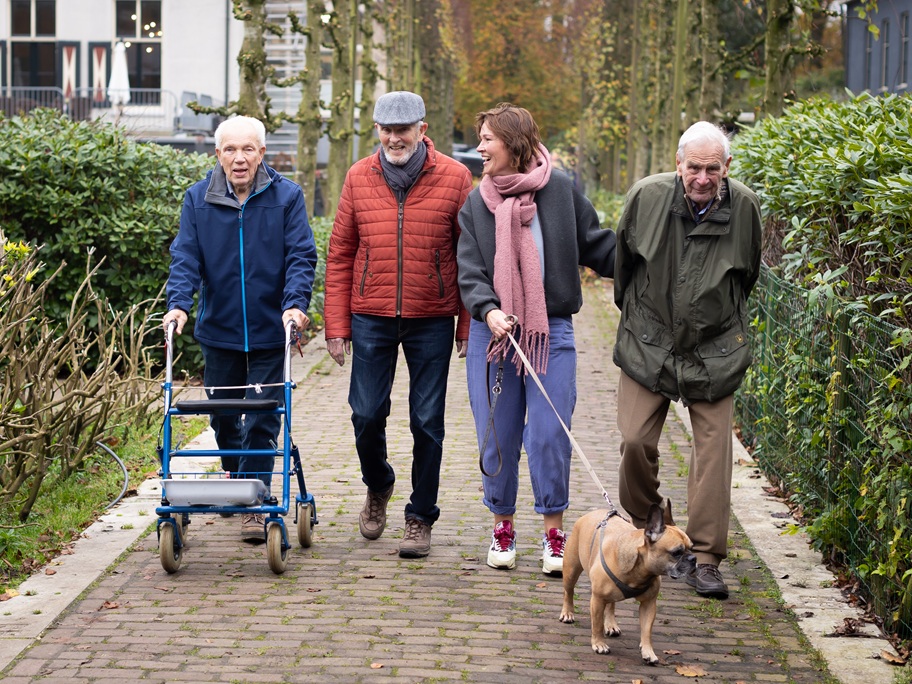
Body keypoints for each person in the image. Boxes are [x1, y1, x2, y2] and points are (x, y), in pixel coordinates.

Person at [457, 103, 616, 574]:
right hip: (496, 336)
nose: (480, 148)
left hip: (552, 332)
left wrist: (649, 253)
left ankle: (553, 534)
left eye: (488, 139)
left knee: (549, 435)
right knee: (499, 437)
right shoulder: (476, 202)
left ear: (515, 143)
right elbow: (469, 271)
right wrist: (489, 310)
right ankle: (502, 527)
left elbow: (599, 245)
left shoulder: (561, 191)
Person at [613, 120, 762, 599]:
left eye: (712, 169)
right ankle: (650, 525)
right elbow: (623, 269)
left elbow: (748, 276)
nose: (702, 178)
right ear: (678, 165)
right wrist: (644, 324)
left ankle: (705, 558)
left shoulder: (746, 210)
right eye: (693, 167)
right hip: (649, 340)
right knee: (635, 440)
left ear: (727, 168)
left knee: (714, 454)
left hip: (715, 349)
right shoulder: (646, 198)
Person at [324, 91, 472, 558]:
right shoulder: (357, 176)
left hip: (432, 316)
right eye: (385, 130)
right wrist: (336, 324)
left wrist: (466, 325)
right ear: (377, 132)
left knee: (427, 422)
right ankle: (379, 483)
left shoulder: (455, 177)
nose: (393, 138)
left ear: (422, 130)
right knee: (366, 413)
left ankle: (420, 516)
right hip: (370, 314)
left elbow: (470, 257)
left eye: (402, 130)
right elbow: (341, 252)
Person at [163, 115, 317, 541]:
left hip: (272, 331)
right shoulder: (197, 199)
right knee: (222, 414)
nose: (239, 158)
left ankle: (253, 501)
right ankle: (235, 471)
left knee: (264, 416)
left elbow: (301, 256)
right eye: (230, 149)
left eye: (248, 149)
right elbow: (186, 257)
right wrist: (178, 305)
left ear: (262, 153)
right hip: (220, 331)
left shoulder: (287, 197)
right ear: (218, 155)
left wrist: (294, 306)